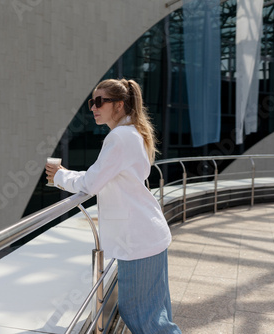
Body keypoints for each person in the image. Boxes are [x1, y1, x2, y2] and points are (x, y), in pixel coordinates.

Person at [45, 78, 181, 333]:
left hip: (139, 240)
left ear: (118, 105)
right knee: (154, 315)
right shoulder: (131, 133)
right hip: (146, 236)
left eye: (100, 101)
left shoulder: (119, 138)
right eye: (91, 102)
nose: (94, 107)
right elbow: (103, 176)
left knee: (143, 317)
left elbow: (92, 183)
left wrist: (60, 176)